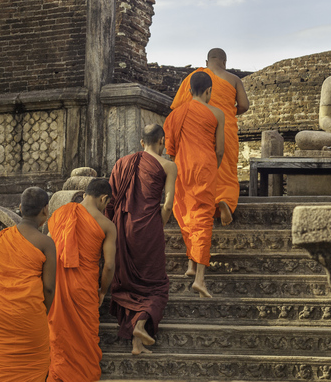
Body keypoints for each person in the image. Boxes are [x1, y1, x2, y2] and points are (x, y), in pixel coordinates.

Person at [106, 123, 177, 355]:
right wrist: (157, 226)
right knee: (156, 285)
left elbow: (110, 201)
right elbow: (168, 205)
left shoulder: (121, 163)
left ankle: (137, 344)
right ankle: (140, 325)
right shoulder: (168, 166)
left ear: (141, 142)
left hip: (122, 227)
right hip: (149, 229)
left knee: (129, 283)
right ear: (162, 141)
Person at [168, 47, 249, 226]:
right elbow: (244, 105)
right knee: (226, 170)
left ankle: (201, 203)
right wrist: (228, 111)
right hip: (225, 127)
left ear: (206, 62)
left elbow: (179, 107)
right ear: (224, 62)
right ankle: (224, 200)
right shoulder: (234, 79)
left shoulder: (194, 78)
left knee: (201, 169)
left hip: (199, 130)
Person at [47, 178, 116, 381]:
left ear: (85, 194)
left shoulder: (60, 213)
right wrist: (103, 291)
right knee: (85, 340)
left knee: (59, 336)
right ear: (104, 199)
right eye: (107, 203)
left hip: (58, 285)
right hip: (85, 288)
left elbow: (48, 246)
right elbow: (109, 265)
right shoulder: (107, 225)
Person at [0, 187, 56, 382]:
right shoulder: (45, 243)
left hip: (0, 316)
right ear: (45, 210)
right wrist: (41, 313)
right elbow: (49, 288)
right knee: (33, 371)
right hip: (30, 315)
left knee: (0, 369)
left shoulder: (0, 238)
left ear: (20, 208)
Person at [165, 71, 225, 298]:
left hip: (182, 168)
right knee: (203, 219)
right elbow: (220, 150)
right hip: (205, 169)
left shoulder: (175, 115)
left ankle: (191, 264)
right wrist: (212, 168)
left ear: (189, 91)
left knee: (186, 213)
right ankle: (199, 278)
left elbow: (170, 150)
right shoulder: (217, 114)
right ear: (209, 91)